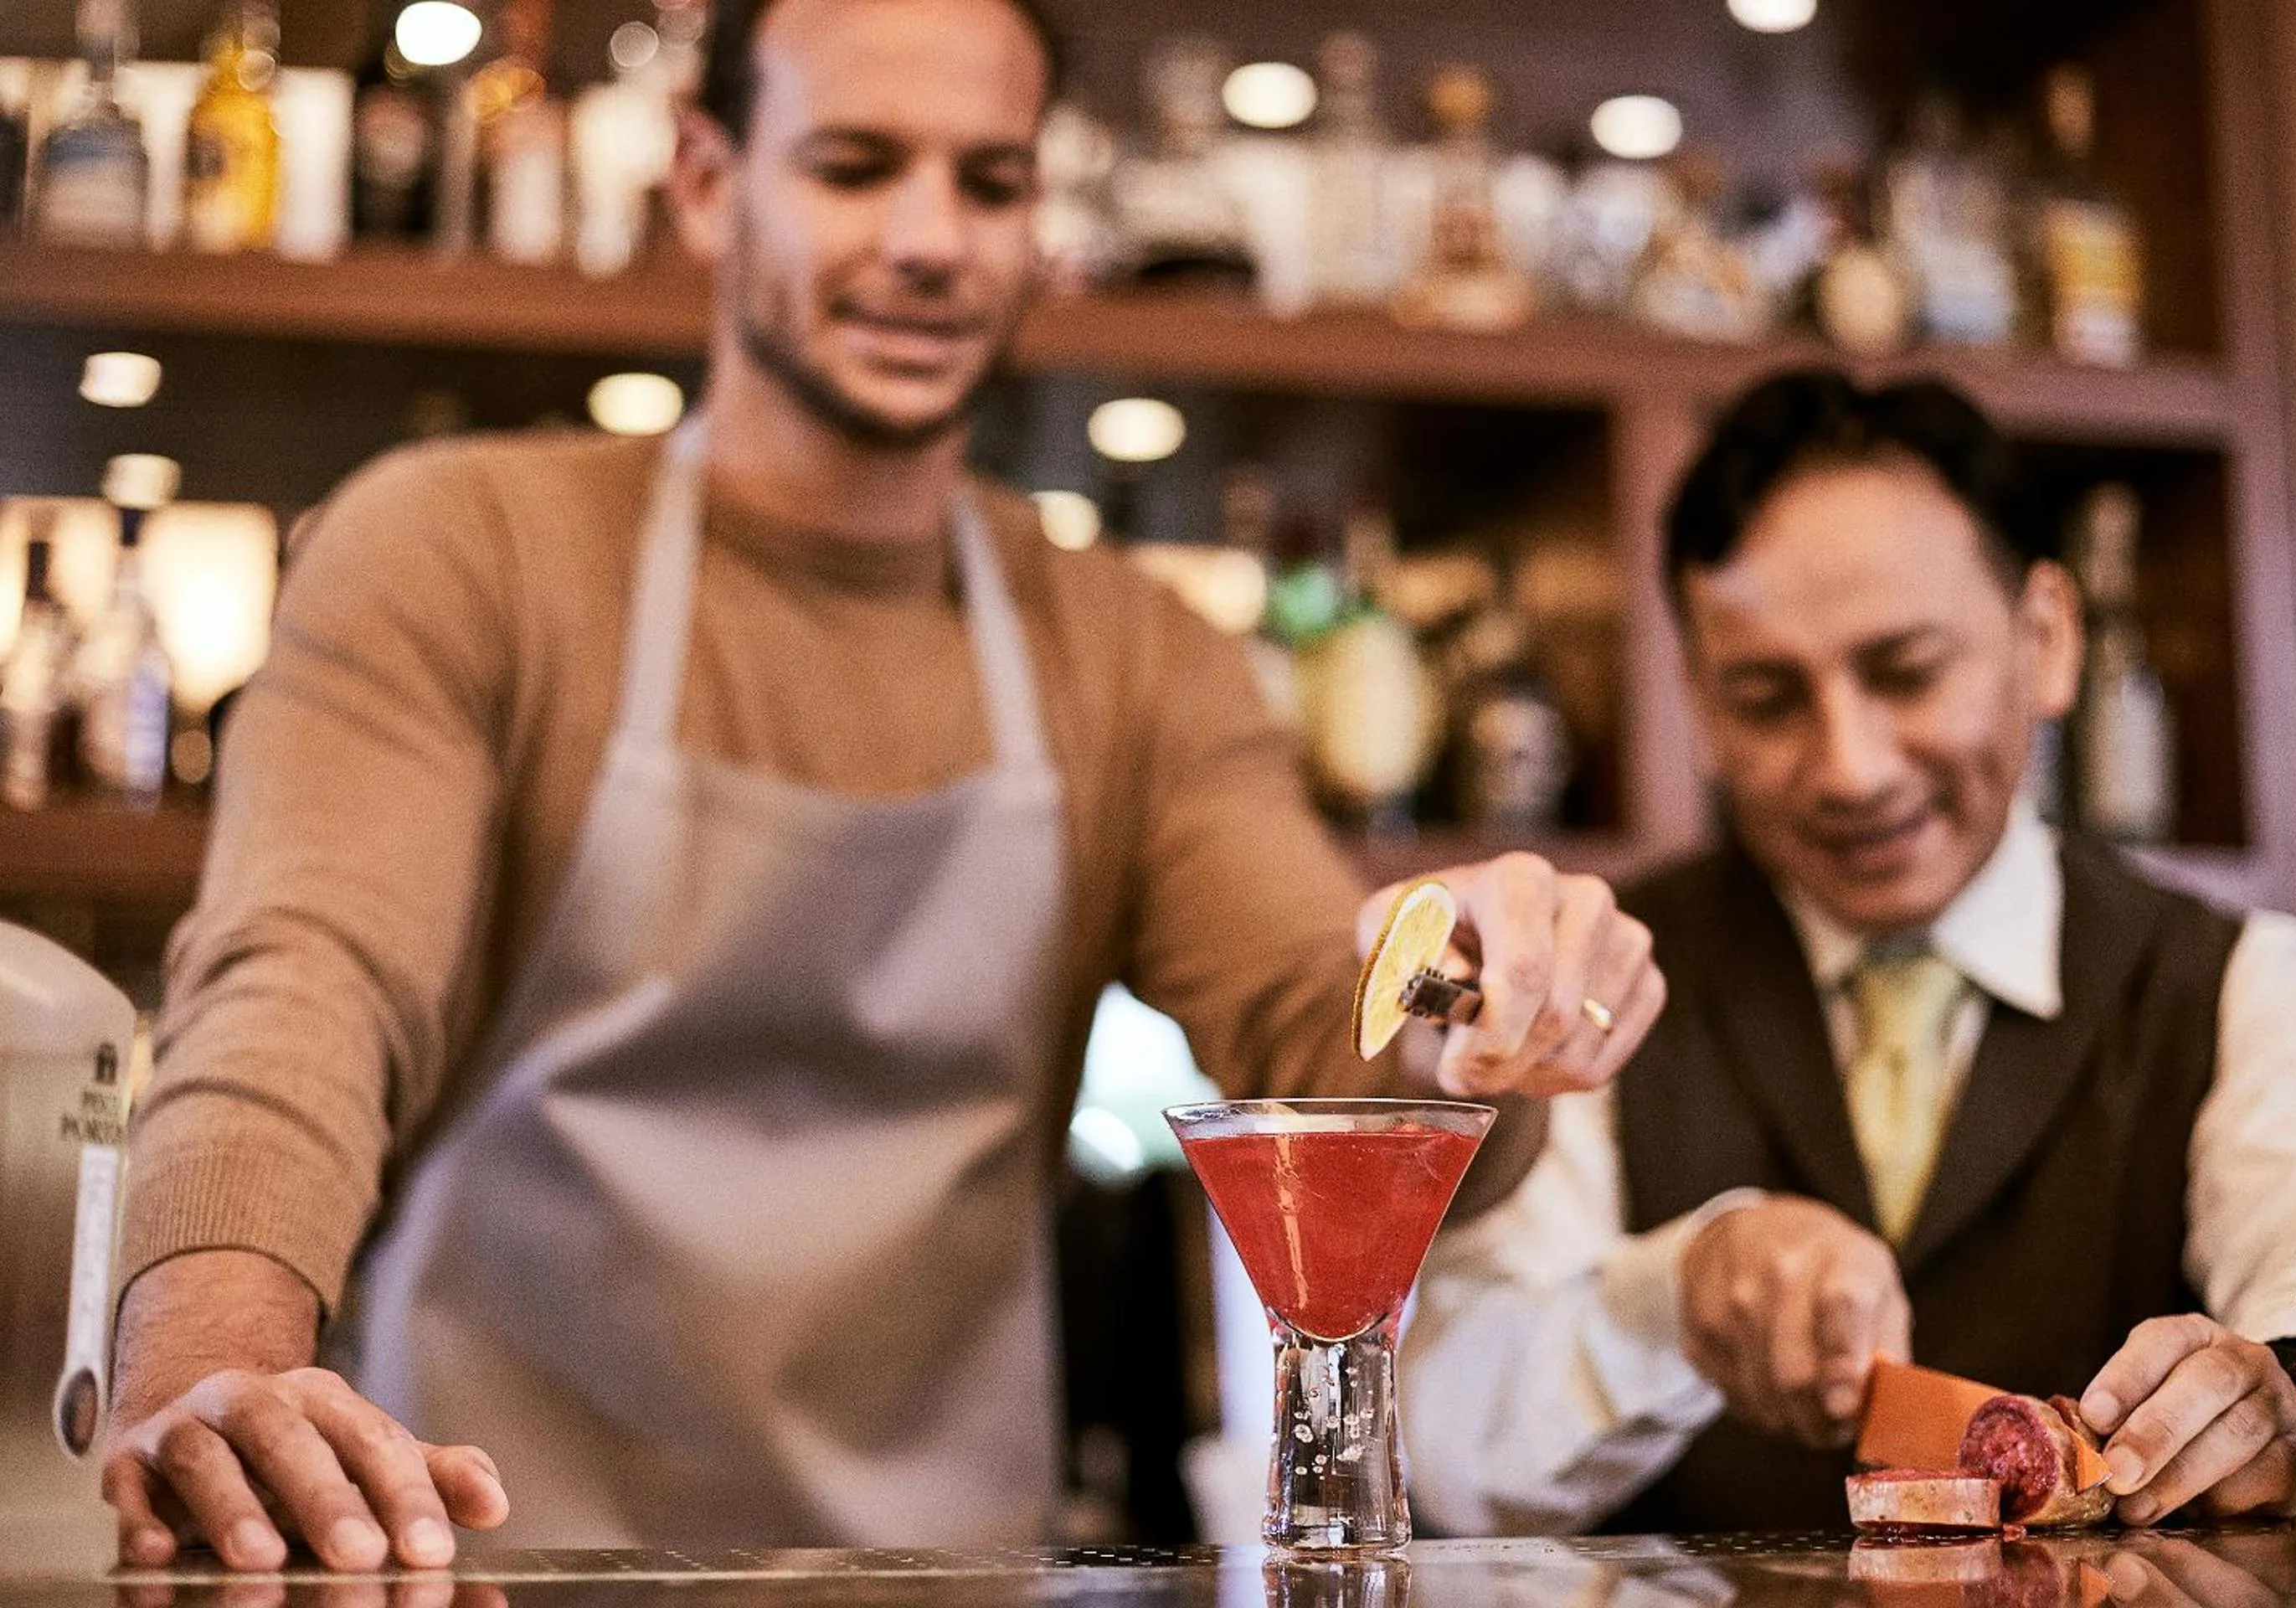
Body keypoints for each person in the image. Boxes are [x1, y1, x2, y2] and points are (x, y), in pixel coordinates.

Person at [98, 0, 1665, 1572]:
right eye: (856, 166)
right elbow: (303, 979)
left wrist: (1474, 1001)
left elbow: (1319, 1036)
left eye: (989, 183)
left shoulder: (1130, 654)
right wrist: (217, 1362)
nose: (932, 240)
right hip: (493, 1561)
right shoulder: (463, 551)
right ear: (707, 181)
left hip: (952, 1579)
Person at [1400, 367, 2296, 1534]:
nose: (1852, 768)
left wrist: (2289, 1386)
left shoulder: (2238, 986)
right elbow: (1450, 1449)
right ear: (1698, 705)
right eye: (1769, 697)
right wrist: (1673, 1297)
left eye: (1907, 672)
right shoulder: (1604, 977)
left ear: (2046, 639)